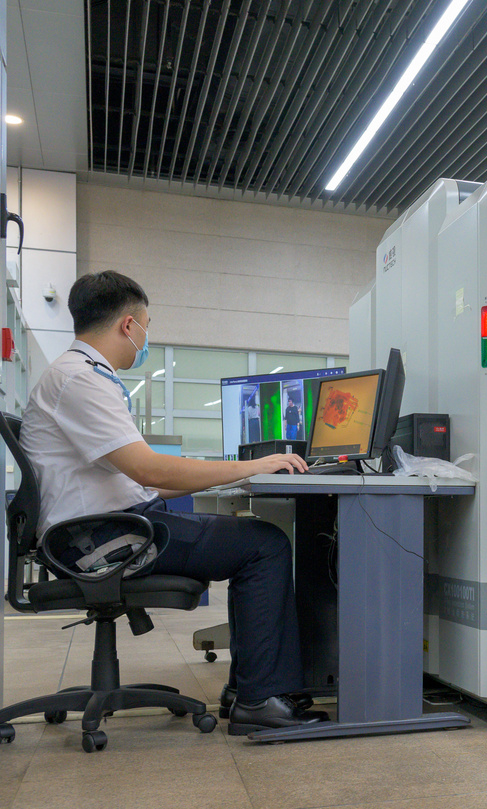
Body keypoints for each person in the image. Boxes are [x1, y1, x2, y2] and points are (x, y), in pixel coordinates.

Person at [20, 270, 329, 735]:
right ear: (128, 325)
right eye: (146, 326)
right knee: (264, 544)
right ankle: (259, 700)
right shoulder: (79, 381)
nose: (145, 338)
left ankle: (247, 690)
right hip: (101, 539)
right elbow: (150, 471)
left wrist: (227, 476)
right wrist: (250, 467)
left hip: (103, 528)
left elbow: (145, 482)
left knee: (247, 540)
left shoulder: (77, 376)